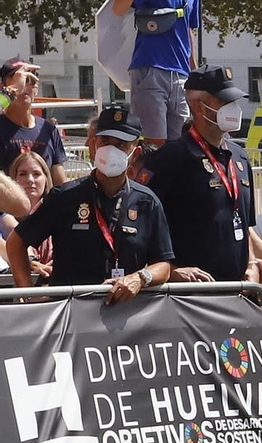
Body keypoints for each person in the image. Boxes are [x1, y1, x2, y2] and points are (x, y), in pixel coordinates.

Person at [5, 104, 172, 302]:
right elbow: (16, 243)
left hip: (126, 315)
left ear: (134, 154)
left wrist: (139, 278)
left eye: (120, 144)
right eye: (105, 141)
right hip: (72, 315)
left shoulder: (147, 202)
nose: (111, 149)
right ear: (93, 146)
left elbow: (164, 264)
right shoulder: (64, 197)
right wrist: (28, 296)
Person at [138, 66, 262, 284]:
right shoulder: (172, 156)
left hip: (238, 287)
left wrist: (251, 263)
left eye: (234, 102)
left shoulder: (239, 156)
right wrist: (170, 271)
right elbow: (141, 220)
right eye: (224, 102)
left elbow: (242, 223)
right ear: (198, 106)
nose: (234, 109)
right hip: (191, 293)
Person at [110, 0, 201, 147]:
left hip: (180, 76)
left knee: (179, 146)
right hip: (150, 69)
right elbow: (119, 8)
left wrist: (195, 76)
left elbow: (188, 30)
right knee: (154, 147)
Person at [0, 64, 68, 184]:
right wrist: (11, 91)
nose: (24, 87)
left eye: (30, 81)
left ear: (36, 89)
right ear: (4, 86)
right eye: (19, 81)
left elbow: (61, 185)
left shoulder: (48, 130)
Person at [1, 151, 52, 279]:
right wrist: (27, 263)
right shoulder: (6, 215)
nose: (30, 180)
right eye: (23, 174)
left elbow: (15, 231)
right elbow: (13, 237)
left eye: (36, 174)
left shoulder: (58, 213)